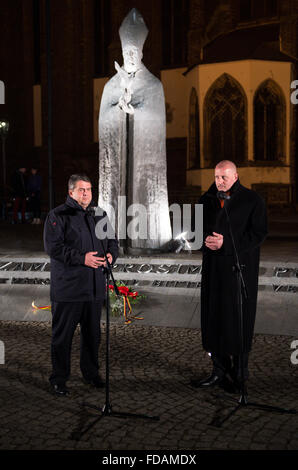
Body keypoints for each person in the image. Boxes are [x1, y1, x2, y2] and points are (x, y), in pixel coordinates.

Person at [98, 8, 172, 251]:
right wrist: (117, 110)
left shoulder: (153, 85)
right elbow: (104, 121)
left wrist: (136, 111)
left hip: (143, 167)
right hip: (118, 168)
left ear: (141, 52)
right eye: (126, 52)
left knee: (144, 194)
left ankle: (146, 241)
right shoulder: (111, 86)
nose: (129, 56)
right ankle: (112, 241)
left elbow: (157, 120)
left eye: (134, 52)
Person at [191, 160, 267, 392]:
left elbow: (258, 233)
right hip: (214, 272)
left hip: (239, 271)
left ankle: (240, 373)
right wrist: (203, 239)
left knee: (238, 320)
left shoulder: (252, 200)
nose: (219, 181)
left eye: (224, 177)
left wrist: (227, 244)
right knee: (214, 318)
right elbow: (195, 229)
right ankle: (218, 369)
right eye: (216, 177)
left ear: (235, 176)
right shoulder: (207, 200)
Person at [44, 174, 118, 396]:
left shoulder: (99, 214)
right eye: (81, 190)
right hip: (68, 289)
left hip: (94, 288)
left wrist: (111, 257)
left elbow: (113, 243)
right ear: (71, 192)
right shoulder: (57, 215)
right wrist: (82, 258)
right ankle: (59, 378)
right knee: (62, 337)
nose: (86, 193)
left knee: (92, 335)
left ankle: (91, 373)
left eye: (89, 189)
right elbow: (54, 248)